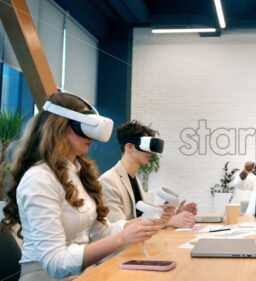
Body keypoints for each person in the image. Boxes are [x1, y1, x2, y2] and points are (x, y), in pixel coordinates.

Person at [1, 93, 160, 280]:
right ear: (58, 127)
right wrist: (122, 238)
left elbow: (100, 232)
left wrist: (135, 226)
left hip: (84, 275)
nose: (91, 136)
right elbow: (55, 264)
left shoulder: (77, 173)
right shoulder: (39, 179)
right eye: (83, 127)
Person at [99, 120, 197, 228]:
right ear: (129, 147)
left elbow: (142, 217)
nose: (151, 152)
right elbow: (117, 227)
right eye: (145, 146)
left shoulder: (134, 178)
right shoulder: (108, 181)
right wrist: (168, 221)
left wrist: (173, 215)